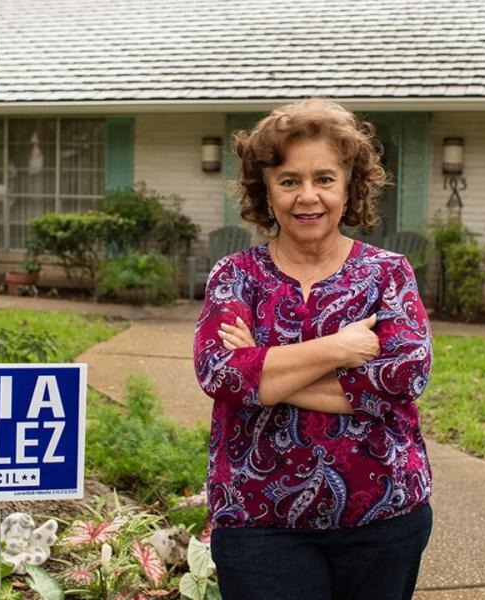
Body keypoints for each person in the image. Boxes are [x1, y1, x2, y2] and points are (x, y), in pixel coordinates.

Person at [192, 98, 434, 600]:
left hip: (383, 516)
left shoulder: (387, 274)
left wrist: (266, 370)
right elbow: (221, 375)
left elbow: (402, 378)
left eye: (324, 179)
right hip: (258, 521)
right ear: (266, 190)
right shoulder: (235, 276)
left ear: (349, 187)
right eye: (288, 181)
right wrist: (340, 348)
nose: (308, 197)